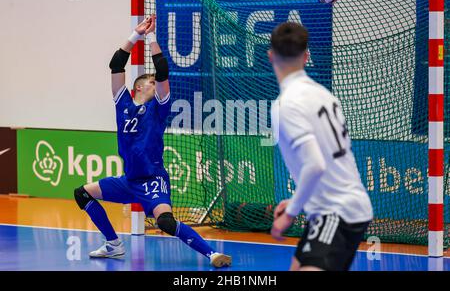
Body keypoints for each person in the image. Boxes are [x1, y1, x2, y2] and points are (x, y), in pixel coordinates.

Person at [73, 15, 231, 268]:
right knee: (81, 193)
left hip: (152, 180)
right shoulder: (122, 102)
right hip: (129, 180)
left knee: (165, 222)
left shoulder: (158, 109)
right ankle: (113, 244)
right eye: (151, 82)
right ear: (137, 88)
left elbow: (163, 70)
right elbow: (116, 65)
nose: (156, 84)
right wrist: (134, 35)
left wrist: (151, 37)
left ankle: (212, 254)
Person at [268, 22, 373, 271]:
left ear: (270, 55)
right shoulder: (324, 94)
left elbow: (315, 165)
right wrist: (298, 199)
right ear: (306, 56)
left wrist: (291, 213)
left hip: (336, 212)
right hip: (337, 208)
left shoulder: (287, 104)